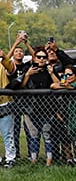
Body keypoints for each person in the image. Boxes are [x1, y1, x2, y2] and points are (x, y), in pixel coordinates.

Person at [20, 45, 60, 164]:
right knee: (34, 136)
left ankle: (49, 161)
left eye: (44, 57)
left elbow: (58, 85)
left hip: (47, 109)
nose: (41, 59)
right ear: (34, 58)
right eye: (39, 57)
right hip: (31, 109)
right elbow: (21, 86)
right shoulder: (28, 69)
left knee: (47, 136)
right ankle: (33, 160)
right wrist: (28, 74)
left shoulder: (50, 70)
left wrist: (52, 73)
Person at [0, 35, 19, 167]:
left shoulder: (4, 65)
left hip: (4, 103)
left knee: (7, 133)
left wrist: (5, 57)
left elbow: (11, 70)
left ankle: (10, 158)